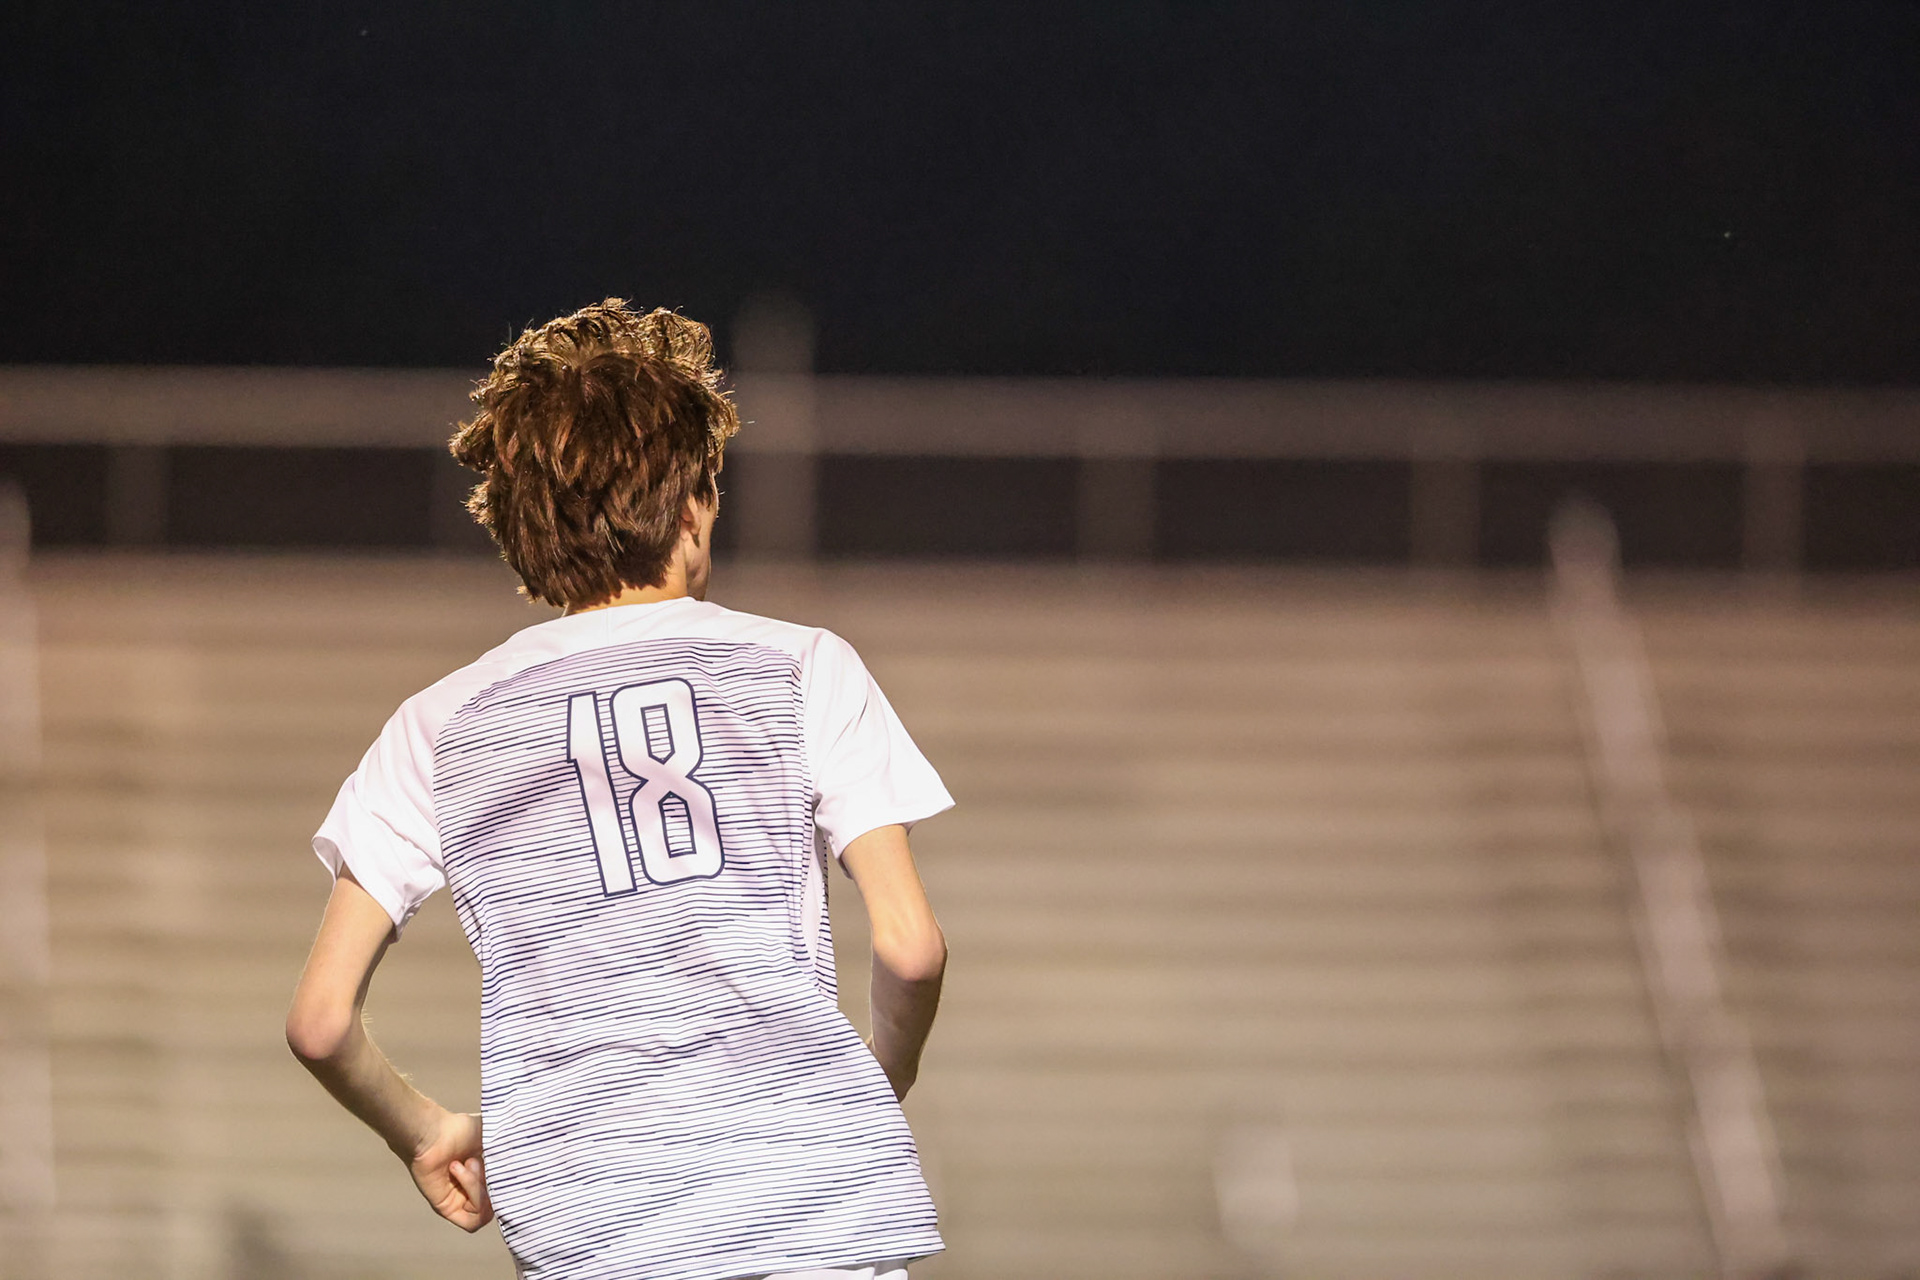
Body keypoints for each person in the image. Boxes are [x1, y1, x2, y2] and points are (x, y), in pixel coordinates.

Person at [285, 300, 951, 1280]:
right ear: (690, 505)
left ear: (520, 530)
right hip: (808, 1203)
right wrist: (873, 1075)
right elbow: (910, 946)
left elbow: (320, 1020)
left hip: (586, 1221)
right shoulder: (805, 666)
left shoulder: (438, 723)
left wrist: (423, 1128)